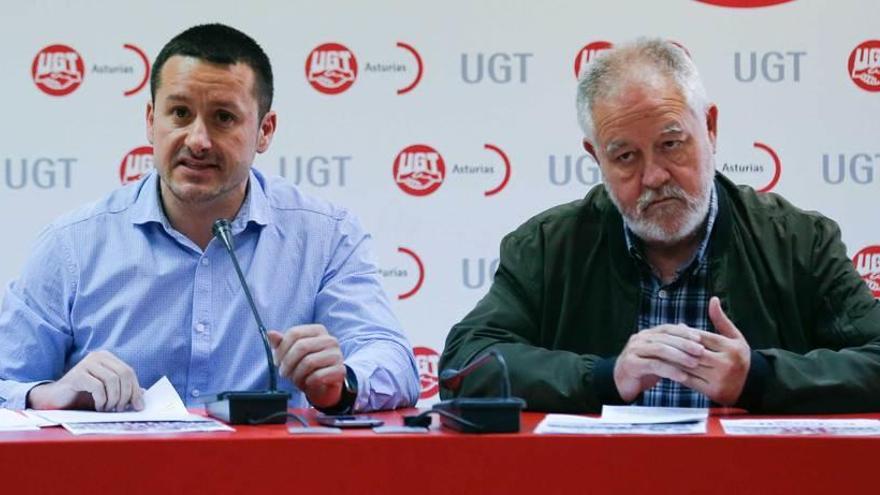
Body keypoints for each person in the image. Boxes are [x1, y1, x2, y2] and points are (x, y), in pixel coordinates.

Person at [439, 38, 880, 413]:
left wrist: (759, 377)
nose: (654, 177)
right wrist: (604, 376)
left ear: (709, 128)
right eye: (626, 157)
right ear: (597, 158)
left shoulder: (798, 242)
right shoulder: (548, 246)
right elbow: (465, 365)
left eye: (671, 145)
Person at [0, 24, 418, 413]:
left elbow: (393, 360)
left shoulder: (325, 236)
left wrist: (341, 383)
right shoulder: (73, 243)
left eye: (223, 118)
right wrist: (46, 394)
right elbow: (6, 378)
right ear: (151, 122)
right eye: (179, 113)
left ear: (265, 131)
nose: (197, 140)